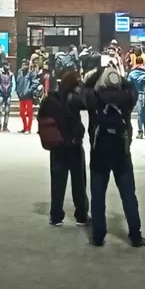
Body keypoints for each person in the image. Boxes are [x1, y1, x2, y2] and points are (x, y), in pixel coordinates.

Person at [83, 56, 145, 247]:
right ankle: (135, 235)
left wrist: (98, 73)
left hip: (99, 152)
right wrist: (120, 76)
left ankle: (98, 235)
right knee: (128, 194)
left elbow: (84, 89)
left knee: (98, 194)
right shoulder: (127, 99)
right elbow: (133, 90)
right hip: (121, 152)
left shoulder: (94, 99)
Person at [42, 69, 89, 227]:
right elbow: (87, 103)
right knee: (79, 182)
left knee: (57, 182)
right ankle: (81, 215)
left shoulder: (52, 97)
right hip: (73, 145)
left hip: (57, 145)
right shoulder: (74, 97)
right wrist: (82, 87)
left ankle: (56, 216)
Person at [16, 60, 39, 133]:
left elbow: (35, 83)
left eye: (25, 65)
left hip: (28, 96)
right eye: (23, 65)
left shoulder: (32, 74)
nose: (24, 66)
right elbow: (18, 82)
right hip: (21, 95)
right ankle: (24, 127)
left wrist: (29, 91)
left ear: (28, 65)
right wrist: (18, 91)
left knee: (29, 113)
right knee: (22, 112)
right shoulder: (20, 73)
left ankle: (28, 129)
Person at [0, 62, 15, 132]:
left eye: (8, 65)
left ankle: (5, 126)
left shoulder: (11, 74)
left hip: (8, 94)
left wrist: (11, 93)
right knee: (0, 111)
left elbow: (13, 84)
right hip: (1, 94)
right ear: (3, 66)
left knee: (7, 111)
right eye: (6, 65)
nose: (8, 67)